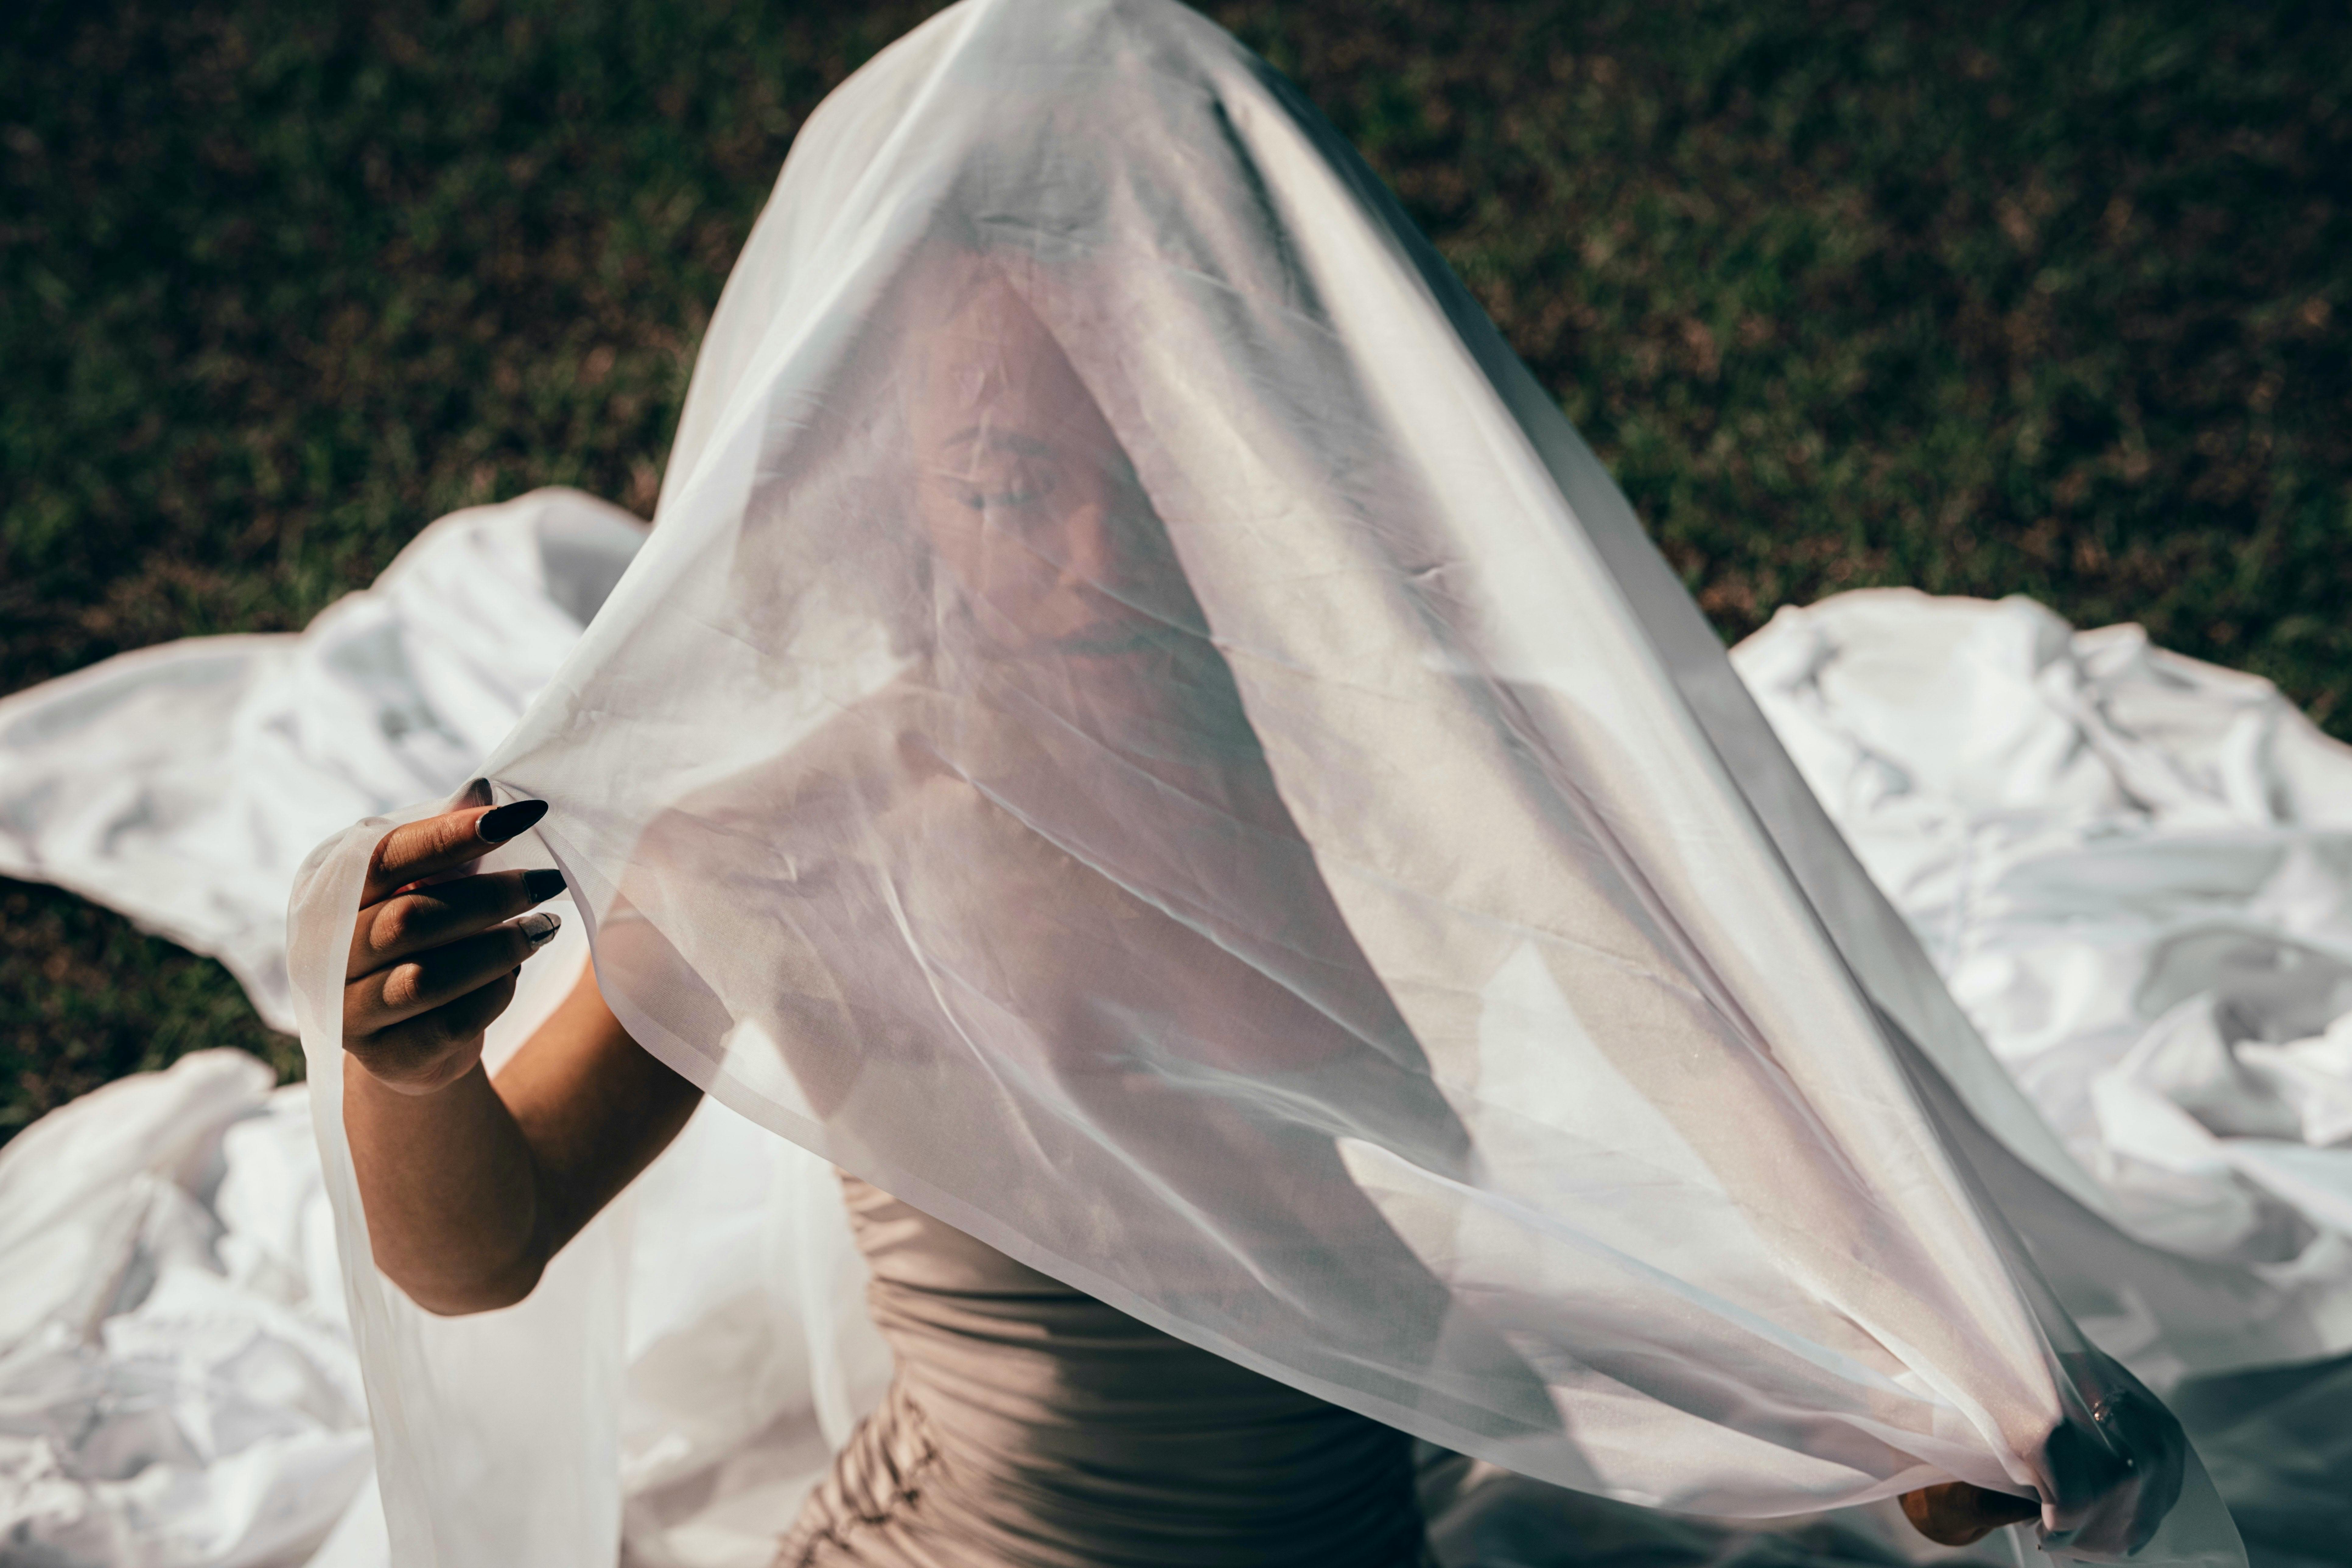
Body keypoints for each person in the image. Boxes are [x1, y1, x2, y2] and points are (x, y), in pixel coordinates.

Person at [334, 261, 2042, 1560]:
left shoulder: (1412, 781)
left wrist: (1936, 1381)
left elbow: (1743, 1104)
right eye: (1008, 489)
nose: (1094, 558)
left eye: (1144, 465)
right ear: (892, 505)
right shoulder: (797, 844)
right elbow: (482, 1255)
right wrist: (415, 1082)